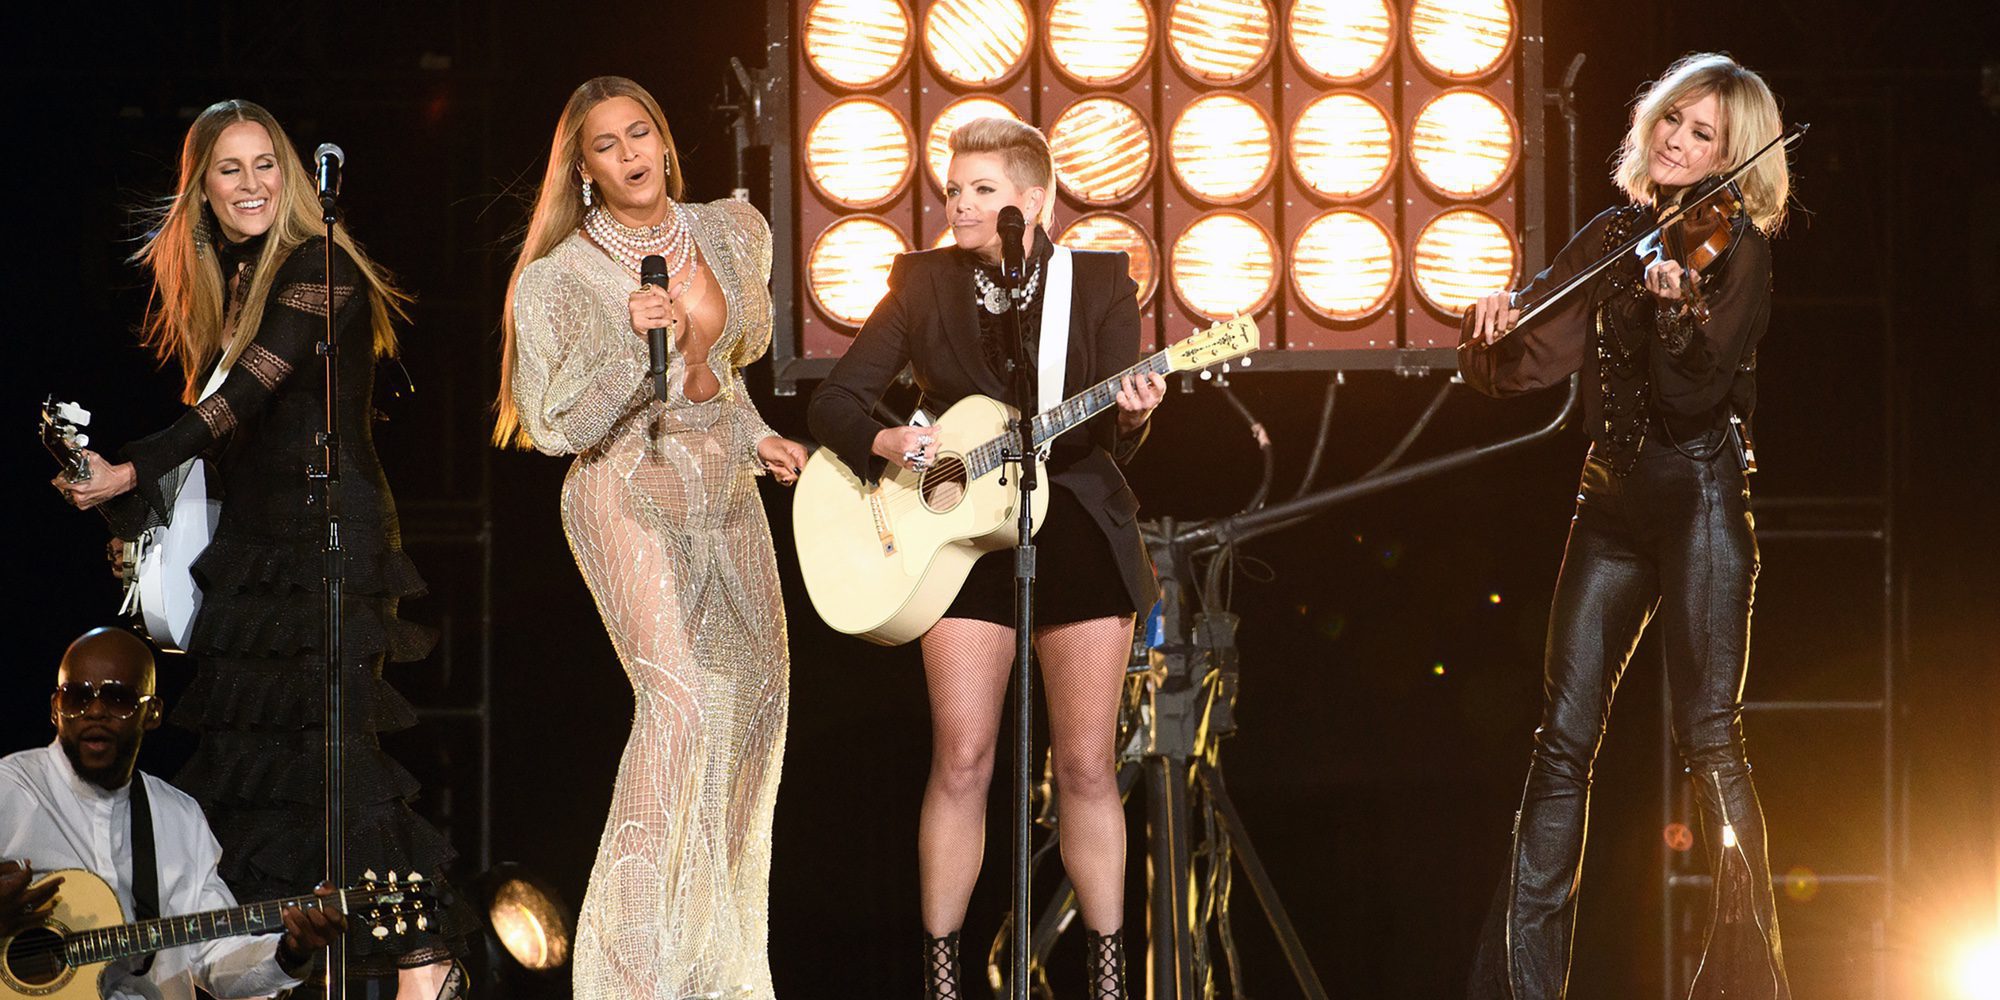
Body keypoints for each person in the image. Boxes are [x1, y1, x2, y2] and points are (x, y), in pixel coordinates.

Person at [54, 99, 471, 994]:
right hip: (253, 550)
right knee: (260, 772)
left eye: (264, 165)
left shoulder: (318, 266)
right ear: (200, 191)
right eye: (228, 170)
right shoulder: (228, 286)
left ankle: (423, 959)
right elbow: (221, 452)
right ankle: (279, 971)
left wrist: (129, 470)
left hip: (328, 542)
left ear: (290, 175)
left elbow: (247, 393)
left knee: (335, 755)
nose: (250, 184)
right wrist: (131, 520)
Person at [1457, 53, 1793, 999]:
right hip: (1608, 501)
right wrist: (1490, 335)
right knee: (1561, 740)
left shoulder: (1739, 251)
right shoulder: (1615, 236)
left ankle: (1742, 985)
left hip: (1699, 498)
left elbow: (1696, 396)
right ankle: (1521, 986)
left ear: (1738, 157)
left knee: (1710, 737)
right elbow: (1534, 359)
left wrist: (1679, 316)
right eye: (1671, 122)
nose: (1678, 143)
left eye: (1704, 135)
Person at [808, 116, 1167, 999]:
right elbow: (837, 401)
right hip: (960, 540)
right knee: (963, 758)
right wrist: (889, 438)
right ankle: (942, 980)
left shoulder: (1100, 283)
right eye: (954, 190)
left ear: (1031, 202)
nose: (960, 205)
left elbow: (1118, 430)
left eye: (981, 191)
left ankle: (1109, 978)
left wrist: (1135, 409)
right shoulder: (923, 284)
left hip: (1075, 526)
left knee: (1085, 764)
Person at [495, 75, 807, 1000]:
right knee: (675, 710)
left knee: (753, 713)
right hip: (625, 486)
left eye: (641, 134)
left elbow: (726, 371)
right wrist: (639, 351)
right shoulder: (558, 280)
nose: (630, 154)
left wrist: (761, 439)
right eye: (606, 145)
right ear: (582, 169)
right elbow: (559, 429)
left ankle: (719, 969)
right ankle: (626, 972)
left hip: (724, 484)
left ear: (666, 143)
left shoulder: (728, 232)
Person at [0, 627, 347, 1000]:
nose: (95, 711)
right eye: (77, 697)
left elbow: (216, 958)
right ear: (56, 709)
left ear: (152, 713)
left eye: (118, 698)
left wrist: (291, 953)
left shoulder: (179, 817)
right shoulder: (10, 790)